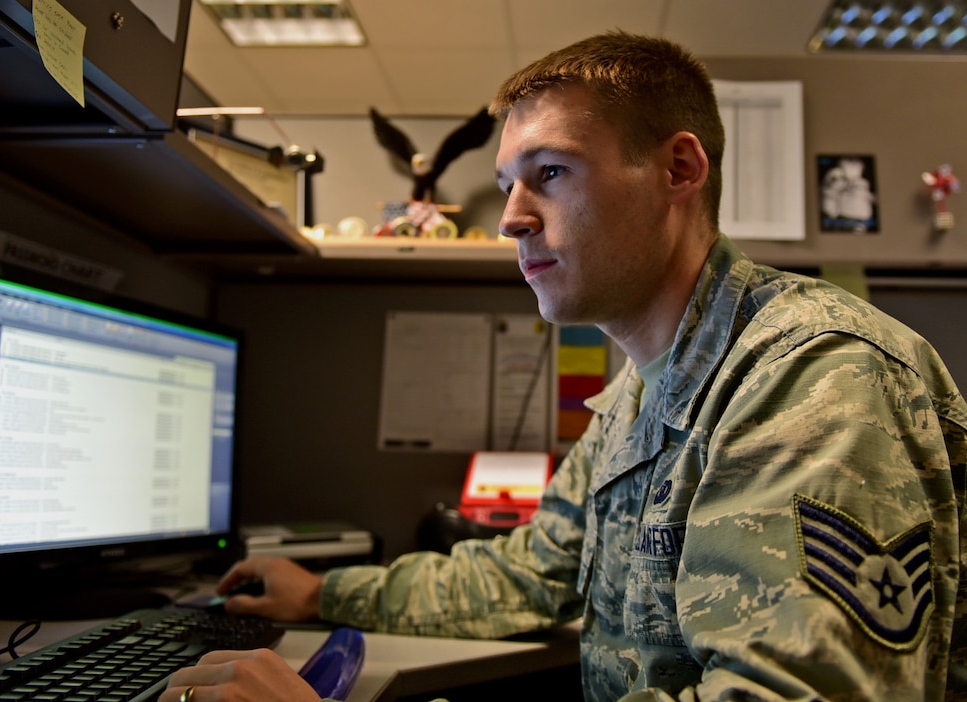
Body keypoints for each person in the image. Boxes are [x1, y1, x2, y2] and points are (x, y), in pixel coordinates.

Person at [161, 31, 967, 701]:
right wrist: (324, 593)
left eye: (550, 173)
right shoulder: (635, 398)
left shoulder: (812, 377)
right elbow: (527, 573)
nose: (511, 217)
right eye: (509, 181)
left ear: (679, 172)